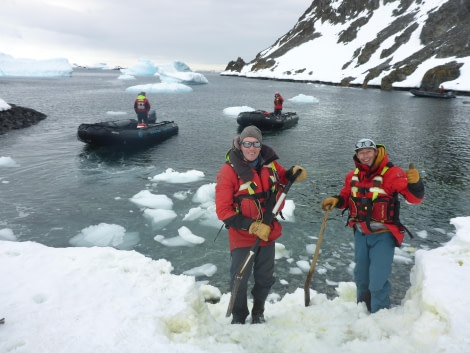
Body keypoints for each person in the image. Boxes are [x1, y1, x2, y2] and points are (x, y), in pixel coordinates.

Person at [215, 125, 306, 324]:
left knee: (264, 279)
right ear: (240, 145)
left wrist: (292, 173)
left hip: (268, 234)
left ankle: (258, 313)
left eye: (256, 143)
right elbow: (223, 211)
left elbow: (283, 176)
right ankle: (239, 317)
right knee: (238, 279)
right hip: (242, 236)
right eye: (247, 143)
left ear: (260, 144)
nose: (252, 148)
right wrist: (253, 227)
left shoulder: (270, 165)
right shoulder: (228, 171)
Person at [321, 138, 424, 313]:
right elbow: (346, 196)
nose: (365, 155)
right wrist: (336, 200)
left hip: (383, 235)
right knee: (361, 278)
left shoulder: (393, 174)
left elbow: (414, 199)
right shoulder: (352, 176)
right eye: (361, 153)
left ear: (376, 152)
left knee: (377, 282)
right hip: (361, 233)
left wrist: (416, 184)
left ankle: (379, 315)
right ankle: (363, 312)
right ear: (357, 156)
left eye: (368, 151)